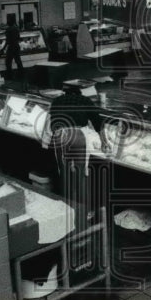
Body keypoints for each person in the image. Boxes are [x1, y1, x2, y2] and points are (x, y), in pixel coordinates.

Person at [47, 84, 105, 222]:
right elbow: (98, 123)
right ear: (79, 93)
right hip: (78, 135)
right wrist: (105, 142)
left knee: (64, 174)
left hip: (60, 135)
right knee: (81, 175)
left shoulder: (56, 101)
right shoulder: (85, 100)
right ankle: (84, 213)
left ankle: (67, 211)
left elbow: (51, 124)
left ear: (64, 93)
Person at [0, 15, 24, 80]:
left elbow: (7, 40)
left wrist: (3, 49)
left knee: (8, 62)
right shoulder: (16, 28)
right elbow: (19, 38)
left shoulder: (8, 29)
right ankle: (21, 74)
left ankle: (10, 75)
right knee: (18, 61)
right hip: (16, 46)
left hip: (11, 47)